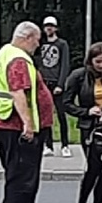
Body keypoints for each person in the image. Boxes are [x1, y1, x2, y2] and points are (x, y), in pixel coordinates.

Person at [0, 20, 52, 203]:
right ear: (27, 37)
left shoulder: (4, 53)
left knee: (15, 174)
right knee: (24, 177)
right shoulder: (19, 59)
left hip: (5, 122)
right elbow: (18, 92)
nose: (37, 45)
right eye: (36, 40)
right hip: (17, 127)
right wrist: (28, 124)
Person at [64, 39, 102, 203]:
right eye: (98, 62)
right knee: (93, 168)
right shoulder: (78, 76)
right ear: (90, 61)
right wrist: (86, 111)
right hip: (89, 127)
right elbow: (66, 103)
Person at [39, 16, 72, 152]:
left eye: (51, 26)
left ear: (56, 28)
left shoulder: (62, 44)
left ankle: (65, 145)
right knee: (45, 114)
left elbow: (65, 64)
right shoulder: (40, 43)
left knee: (61, 114)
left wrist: (60, 84)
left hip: (56, 82)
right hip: (44, 82)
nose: (49, 28)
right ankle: (48, 144)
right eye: (46, 26)